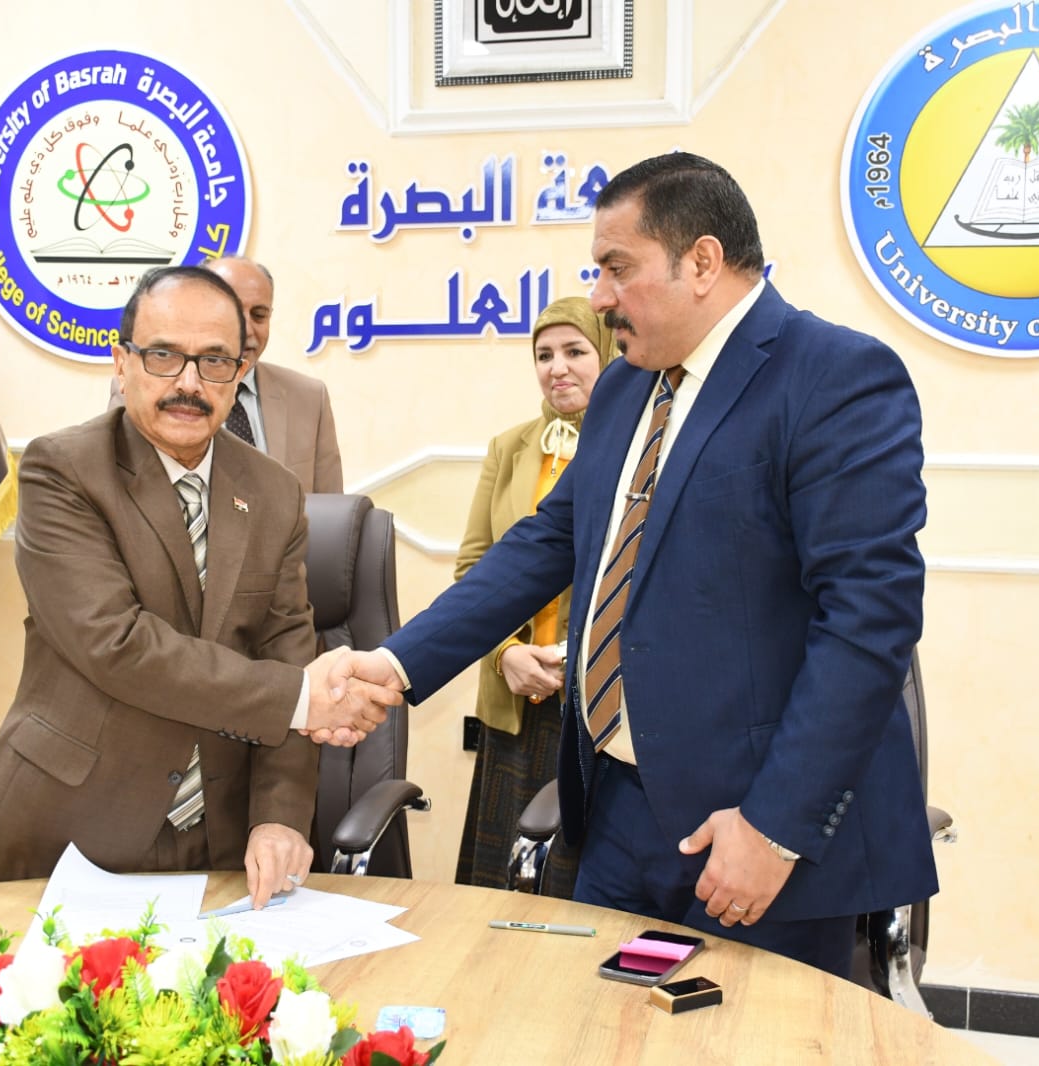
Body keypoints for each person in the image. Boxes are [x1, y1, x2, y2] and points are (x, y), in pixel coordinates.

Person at [323, 152, 935, 976]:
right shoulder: (624, 390)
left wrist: (775, 827)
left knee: (744, 1038)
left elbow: (868, 622)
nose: (601, 295)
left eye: (617, 268)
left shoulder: (833, 376)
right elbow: (546, 542)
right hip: (618, 812)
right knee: (600, 1027)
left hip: (754, 832)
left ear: (702, 261)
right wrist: (396, 664)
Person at [0, 266, 388, 904]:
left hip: (224, 837)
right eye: (163, 356)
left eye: (214, 361)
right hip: (75, 827)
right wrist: (302, 696)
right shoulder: (62, 470)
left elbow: (288, 653)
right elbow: (115, 644)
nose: (188, 383)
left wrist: (280, 817)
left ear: (241, 371)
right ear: (121, 362)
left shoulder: (274, 492)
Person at [453, 296, 616, 896]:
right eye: (544, 355)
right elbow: (475, 568)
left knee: (579, 884)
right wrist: (506, 654)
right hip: (516, 697)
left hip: (593, 699)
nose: (557, 367)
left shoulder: (633, 447)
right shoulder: (511, 447)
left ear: (609, 355)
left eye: (575, 351)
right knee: (502, 877)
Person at [108, 256, 343, 493]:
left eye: (259, 315)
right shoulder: (140, 386)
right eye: (232, 312)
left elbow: (331, 507)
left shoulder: (310, 397)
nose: (246, 329)